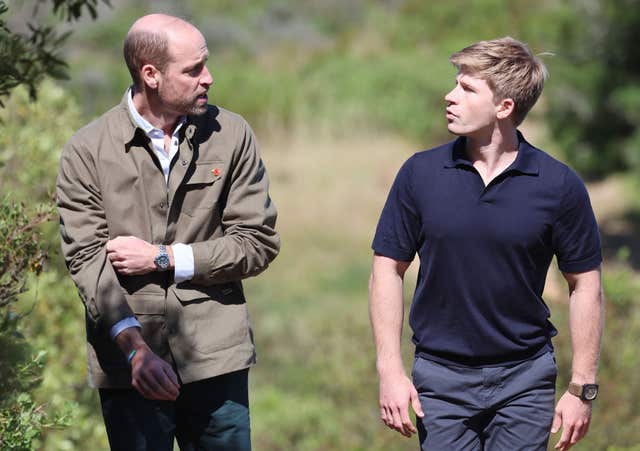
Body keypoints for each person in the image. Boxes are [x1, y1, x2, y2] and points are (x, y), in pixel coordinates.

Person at [56, 13, 279, 451]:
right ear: (150, 75)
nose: (208, 78)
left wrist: (165, 257)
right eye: (193, 69)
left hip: (217, 356)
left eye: (206, 65)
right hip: (128, 367)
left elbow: (258, 242)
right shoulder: (86, 150)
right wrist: (135, 348)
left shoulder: (232, 135)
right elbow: (87, 260)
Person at [369, 37, 603, 451]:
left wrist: (582, 387)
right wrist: (390, 370)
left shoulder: (559, 185)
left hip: (525, 381)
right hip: (439, 380)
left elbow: (586, 285)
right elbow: (387, 268)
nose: (450, 95)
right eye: (455, 83)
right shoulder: (420, 174)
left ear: (505, 107)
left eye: (467, 88)